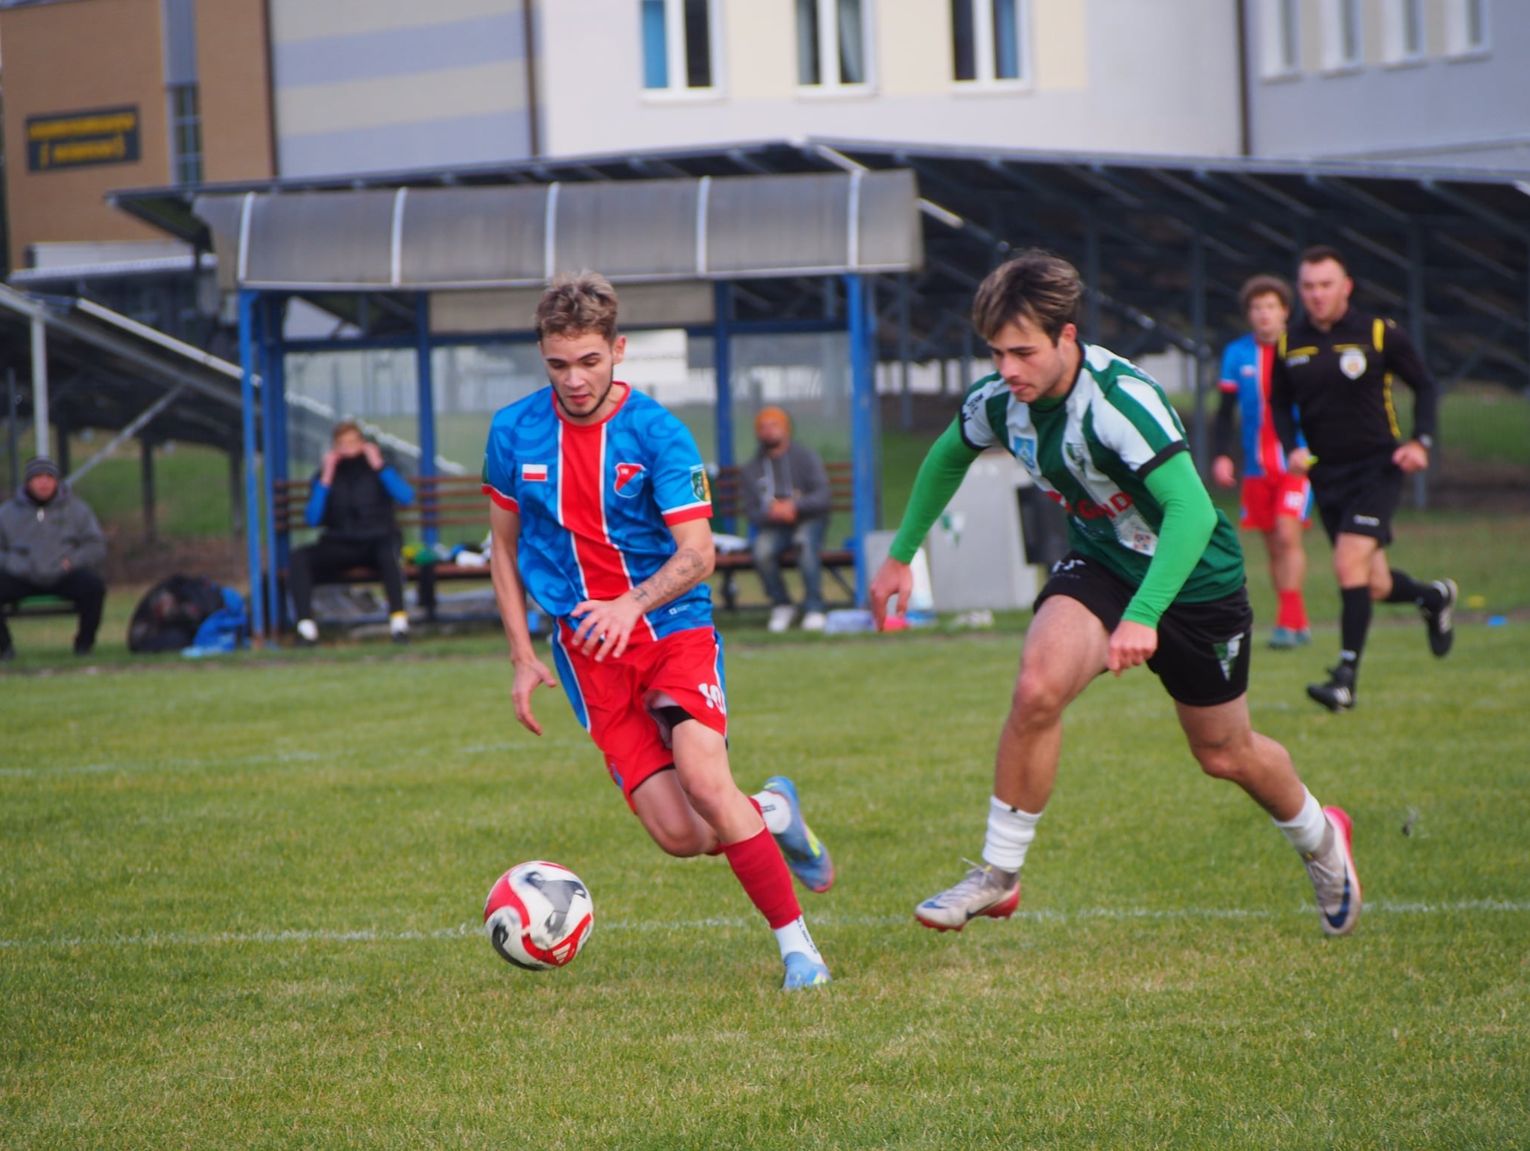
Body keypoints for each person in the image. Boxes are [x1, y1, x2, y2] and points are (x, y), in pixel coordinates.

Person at [869, 249, 1361, 939]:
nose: (1007, 368)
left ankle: (1320, 836)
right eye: (995, 352)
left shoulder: (1119, 402)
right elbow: (950, 451)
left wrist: (1146, 614)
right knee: (1037, 685)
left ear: (1066, 337)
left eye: (1022, 351)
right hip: (1103, 564)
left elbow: (1190, 512)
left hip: (1194, 580)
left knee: (1224, 752)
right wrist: (899, 556)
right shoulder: (1001, 401)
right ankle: (999, 874)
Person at [481, 271, 835, 990]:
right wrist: (521, 654)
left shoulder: (658, 433)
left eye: (589, 360)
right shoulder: (512, 431)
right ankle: (771, 810)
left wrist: (630, 605)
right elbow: (502, 547)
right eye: (558, 364)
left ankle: (800, 949)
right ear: (542, 356)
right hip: (587, 654)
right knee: (684, 835)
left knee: (706, 777)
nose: (574, 380)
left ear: (618, 349)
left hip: (670, 624)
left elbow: (699, 554)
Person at [1270, 245, 1457, 713]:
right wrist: (1292, 444)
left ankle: (1345, 678)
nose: (1316, 295)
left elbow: (1426, 384)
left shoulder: (1378, 333)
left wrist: (1422, 442)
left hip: (1377, 467)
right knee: (1371, 583)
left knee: (1346, 563)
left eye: (1325, 285)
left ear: (1346, 286)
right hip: (1326, 474)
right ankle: (1433, 596)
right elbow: (1278, 402)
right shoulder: (1288, 342)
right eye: (1308, 286)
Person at [1211, 274, 1313, 649]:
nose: (1264, 315)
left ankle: (1287, 624)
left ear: (1285, 311)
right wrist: (1222, 455)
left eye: (1271, 307)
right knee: (1273, 545)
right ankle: (1297, 621)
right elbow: (1225, 413)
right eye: (1257, 308)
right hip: (1256, 468)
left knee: (1289, 535)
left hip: (1297, 464)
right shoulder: (1237, 355)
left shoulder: (1303, 350)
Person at [289, 420, 415, 645]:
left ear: (363, 444)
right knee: (300, 558)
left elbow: (406, 497)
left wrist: (379, 465)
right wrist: (326, 477)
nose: (348, 447)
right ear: (334, 447)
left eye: (353, 442)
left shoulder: (379, 469)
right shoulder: (326, 475)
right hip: (341, 542)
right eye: (342, 443)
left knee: (390, 553)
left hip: (377, 540)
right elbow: (312, 518)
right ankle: (306, 630)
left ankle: (399, 625)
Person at [0, 455, 108, 659]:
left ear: (57, 481)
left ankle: (84, 646)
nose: (43, 482)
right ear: (28, 482)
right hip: (22, 575)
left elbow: (95, 545)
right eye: (38, 477)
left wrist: (73, 561)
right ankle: (5, 649)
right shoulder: (7, 513)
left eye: (49, 477)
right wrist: (14, 564)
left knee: (93, 587)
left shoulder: (77, 509)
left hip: (63, 574)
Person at [740, 406, 832, 633]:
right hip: (775, 525)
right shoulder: (751, 468)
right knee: (761, 550)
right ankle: (781, 604)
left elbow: (822, 496)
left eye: (774, 425)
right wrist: (774, 512)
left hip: (808, 520)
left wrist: (794, 506)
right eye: (763, 426)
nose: (769, 431)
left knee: (804, 543)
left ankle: (814, 607)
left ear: (786, 428)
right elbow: (751, 510)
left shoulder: (806, 457)